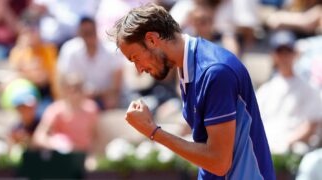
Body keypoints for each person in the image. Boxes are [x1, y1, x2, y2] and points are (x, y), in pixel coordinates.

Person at [109, 3, 275, 179]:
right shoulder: (189, 65)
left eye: (135, 58)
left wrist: (153, 131)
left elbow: (219, 163)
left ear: (151, 40)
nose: (139, 69)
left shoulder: (214, 72)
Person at [256, 30, 322, 153]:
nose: (284, 56)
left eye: (288, 51)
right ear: (274, 55)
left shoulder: (309, 88)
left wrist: (286, 144)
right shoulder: (265, 90)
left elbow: (312, 124)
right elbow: (256, 122)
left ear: (295, 54)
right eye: (280, 52)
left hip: (295, 150)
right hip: (267, 148)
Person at [58, 17, 123, 110]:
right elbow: (65, 79)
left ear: (96, 30)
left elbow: (116, 85)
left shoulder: (111, 50)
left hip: (106, 98)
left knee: (111, 100)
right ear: (79, 33)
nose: (88, 36)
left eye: (90, 32)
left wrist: (102, 94)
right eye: (85, 33)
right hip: (80, 99)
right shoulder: (69, 50)